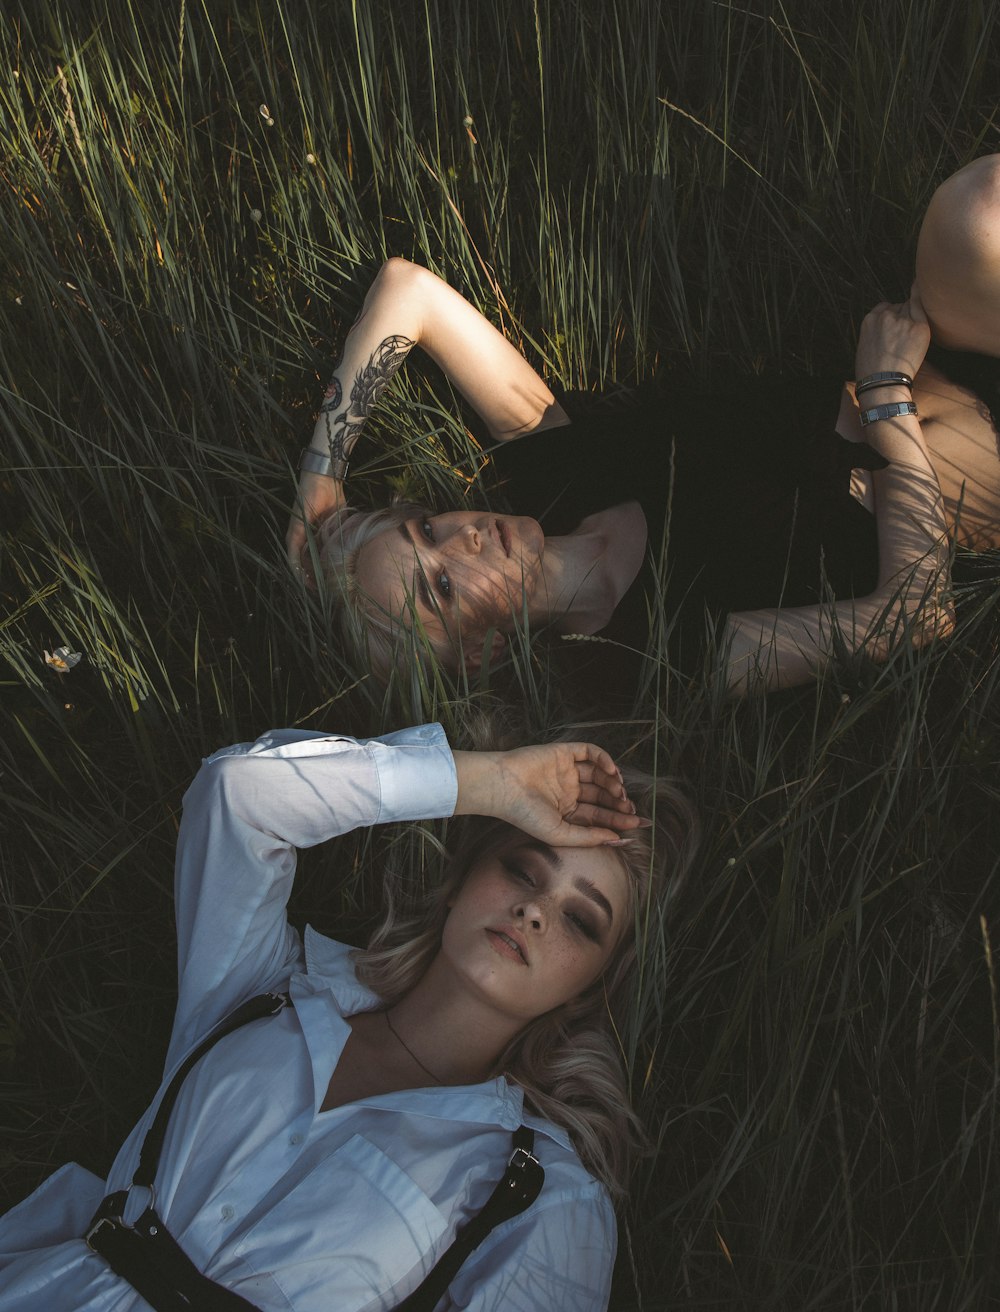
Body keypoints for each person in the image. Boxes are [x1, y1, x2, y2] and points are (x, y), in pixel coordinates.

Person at [0, 720, 697, 1310]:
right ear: (457, 886)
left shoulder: (539, 1193)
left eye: (581, 920)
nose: (537, 910)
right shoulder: (270, 987)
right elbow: (238, 795)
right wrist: (487, 784)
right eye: (522, 870)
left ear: (588, 990)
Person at [287, 158, 1000, 696]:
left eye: (427, 531)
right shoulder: (656, 652)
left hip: (933, 356)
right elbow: (914, 615)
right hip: (971, 465)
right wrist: (885, 397)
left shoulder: (552, 468)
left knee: (979, 208)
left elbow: (408, 292)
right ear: (481, 654)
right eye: (442, 588)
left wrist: (321, 482)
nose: (465, 539)